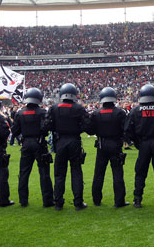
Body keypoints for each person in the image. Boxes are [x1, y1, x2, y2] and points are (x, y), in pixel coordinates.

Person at [125, 84, 154, 211]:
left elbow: (128, 130)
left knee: (140, 172)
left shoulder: (135, 110)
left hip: (143, 144)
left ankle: (137, 199)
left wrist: (136, 142)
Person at [44, 83, 90, 211]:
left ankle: (58, 203)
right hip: (74, 140)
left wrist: (56, 129)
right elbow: (87, 125)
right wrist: (77, 129)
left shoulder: (54, 108)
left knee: (59, 173)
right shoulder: (79, 108)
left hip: (60, 142)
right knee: (76, 171)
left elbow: (47, 125)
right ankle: (78, 202)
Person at [11, 88, 54, 208]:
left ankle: (23, 200)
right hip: (39, 143)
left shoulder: (20, 113)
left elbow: (14, 130)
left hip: (26, 144)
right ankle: (47, 200)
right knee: (44, 172)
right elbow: (47, 127)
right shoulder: (42, 112)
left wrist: (21, 138)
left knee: (24, 172)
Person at [86, 87, 129, 208]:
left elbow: (90, 130)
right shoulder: (120, 112)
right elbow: (125, 129)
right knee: (117, 173)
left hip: (101, 145)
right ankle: (119, 201)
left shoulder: (96, 113)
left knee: (98, 173)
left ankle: (96, 200)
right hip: (115, 144)